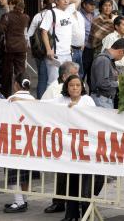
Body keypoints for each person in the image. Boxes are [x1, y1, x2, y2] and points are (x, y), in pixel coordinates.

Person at [44, 75, 99, 221]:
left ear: (82, 87)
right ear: (66, 87)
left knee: (86, 184)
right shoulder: (61, 100)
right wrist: (21, 100)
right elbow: (42, 105)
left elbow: (95, 118)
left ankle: (87, 214)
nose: (75, 88)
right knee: (71, 182)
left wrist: (79, 110)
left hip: (85, 148)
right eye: (71, 85)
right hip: (68, 149)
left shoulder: (88, 101)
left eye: (77, 85)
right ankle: (72, 215)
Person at [41, 61, 79, 214]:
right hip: (60, 136)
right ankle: (59, 201)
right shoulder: (54, 90)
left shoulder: (84, 94)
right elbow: (42, 107)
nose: (76, 83)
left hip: (76, 137)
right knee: (62, 171)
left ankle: (75, 204)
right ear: (65, 77)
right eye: (73, 75)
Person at [4, 73, 34, 213]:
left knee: (13, 173)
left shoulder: (12, 98)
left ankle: (19, 201)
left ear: (16, 84)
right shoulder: (32, 98)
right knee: (25, 173)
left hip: (14, 141)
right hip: (29, 141)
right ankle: (24, 200)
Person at [0, 0, 29, 97]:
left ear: (13, 5)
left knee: (8, 72)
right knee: (20, 71)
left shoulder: (7, 16)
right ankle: (23, 91)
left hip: (9, 47)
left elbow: (0, 30)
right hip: (22, 47)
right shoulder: (26, 17)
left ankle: (6, 94)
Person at [41, 0, 74, 86]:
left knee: (68, 81)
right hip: (56, 54)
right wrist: (48, 49)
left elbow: (77, 0)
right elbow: (44, 32)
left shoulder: (68, 11)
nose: (66, 1)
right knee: (53, 82)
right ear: (56, 1)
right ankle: (52, 101)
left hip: (68, 53)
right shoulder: (51, 13)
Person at [84, 0, 117, 87]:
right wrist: (113, 24)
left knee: (110, 76)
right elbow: (96, 38)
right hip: (98, 52)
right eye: (105, 5)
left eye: (109, 6)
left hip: (112, 52)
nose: (107, 8)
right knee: (98, 77)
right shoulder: (97, 19)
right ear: (101, 7)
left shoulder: (115, 19)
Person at [90, 38, 124, 109]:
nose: (122, 58)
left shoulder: (108, 60)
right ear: (121, 51)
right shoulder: (103, 60)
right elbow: (102, 83)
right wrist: (118, 83)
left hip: (105, 100)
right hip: (102, 100)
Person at [28, 0, 54, 98]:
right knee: (50, 78)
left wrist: (34, 48)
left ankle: (40, 99)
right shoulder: (54, 15)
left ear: (44, 4)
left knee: (41, 77)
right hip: (51, 50)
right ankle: (46, 99)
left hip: (39, 51)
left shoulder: (37, 16)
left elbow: (29, 35)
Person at [75, 0, 96, 77]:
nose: (93, 7)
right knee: (81, 73)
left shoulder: (95, 14)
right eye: (91, 4)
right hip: (83, 48)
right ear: (84, 4)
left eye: (94, 4)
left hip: (93, 48)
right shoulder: (78, 15)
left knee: (92, 76)